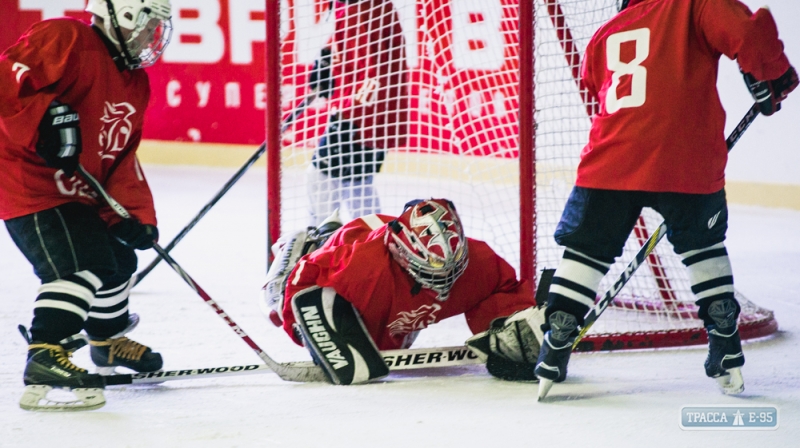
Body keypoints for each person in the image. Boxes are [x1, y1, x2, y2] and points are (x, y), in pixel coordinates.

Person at [534, 0, 797, 398]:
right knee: (703, 247)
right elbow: (749, 33)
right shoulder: (694, 4)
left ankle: (557, 340)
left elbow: (595, 83)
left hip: (611, 158)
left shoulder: (606, 33)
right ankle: (724, 339)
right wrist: (769, 74)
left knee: (585, 250)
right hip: (687, 158)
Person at [0, 0, 173, 411]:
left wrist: (132, 216)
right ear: (124, 14)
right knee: (82, 262)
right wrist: (45, 115)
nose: (154, 37)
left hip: (76, 190)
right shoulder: (66, 38)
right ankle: (45, 352)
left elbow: (121, 158)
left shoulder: (135, 83)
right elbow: (6, 83)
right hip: (27, 181)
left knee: (119, 260)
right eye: (150, 25)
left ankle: (106, 339)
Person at [262, 199, 544, 385]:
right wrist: (299, 323)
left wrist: (508, 323)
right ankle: (307, 240)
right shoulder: (364, 268)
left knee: (389, 346)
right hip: (350, 243)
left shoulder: (478, 262)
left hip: (391, 253)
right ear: (401, 252)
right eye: (432, 268)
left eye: (450, 268)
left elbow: (504, 288)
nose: (444, 279)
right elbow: (305, 275)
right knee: (278, 300)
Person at [305, 0, 409, 226]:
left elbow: (373, 74)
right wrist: (325, 58)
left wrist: (350, 115)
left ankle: (323, 241)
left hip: (362, 120)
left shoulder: (360, 9)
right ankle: (372, 245)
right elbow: (351, 48)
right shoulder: (358, 6)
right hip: (371, 120)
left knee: (320, 178)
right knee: (357, 186)